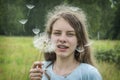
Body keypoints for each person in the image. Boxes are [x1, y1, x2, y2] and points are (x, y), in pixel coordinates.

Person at [29, 4, 102, 80]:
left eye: (70, 34)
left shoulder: (89, 74)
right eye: (57, 33)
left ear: (79, 40)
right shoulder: (40, 71)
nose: (62, 39)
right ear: (49, 37)